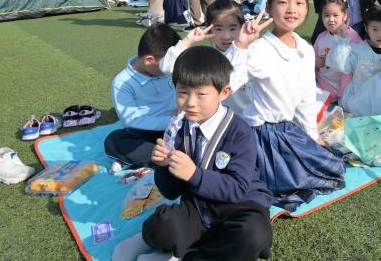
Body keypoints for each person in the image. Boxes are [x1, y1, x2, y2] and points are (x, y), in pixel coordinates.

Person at [117, 46, 274, 261]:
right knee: (165, 225)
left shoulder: (240, 132)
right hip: (199, 206)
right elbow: (171, 192)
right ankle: (146, 239)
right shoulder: (177, 128)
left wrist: (194, 174)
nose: (190, 102)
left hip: (241, 206)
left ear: (224, 92)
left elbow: (238, 188)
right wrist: (163, 168)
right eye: (182, 92)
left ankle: (184, 257)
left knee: (253, 234)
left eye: (201, 94)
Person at [228, 0, 345, 211]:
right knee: (283, 185)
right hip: (261, 134)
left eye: (299, 3)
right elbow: (227, 82)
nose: (292, 9)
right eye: (283, 2)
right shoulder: (260, 48)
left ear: (307, 9)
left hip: (288, 129)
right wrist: (240, 46)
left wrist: (312, 136)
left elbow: (306, 99)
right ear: (269, 8)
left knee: (333, 166)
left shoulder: (305, 48)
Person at [104, 24, 181, 174]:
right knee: (114, 140)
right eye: (168, 63)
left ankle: (141, 159)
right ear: (149, 60)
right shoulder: (122, 83)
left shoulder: (171, 71)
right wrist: (172, 120)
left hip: (178, 127)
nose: (173, 67)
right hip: (147, 133)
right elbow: (133, 121)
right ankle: (166, 159)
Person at [325, 6, 381, 125]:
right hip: (362, 96)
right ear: (366, 28)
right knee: (380, 89)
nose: (379, 34)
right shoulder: (358, 50)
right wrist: (342, 41)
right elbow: (341, 65)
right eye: (374, 29)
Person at [313, 0, 362, 100]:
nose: (331, 19)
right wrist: (314, 62)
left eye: (335, 15)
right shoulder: (321, 37)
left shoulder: (352, 38)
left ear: (345, 16)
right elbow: (312, 59)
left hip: (340, 89)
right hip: (320, 81)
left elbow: (353, 71)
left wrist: (343, 95)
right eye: (326, 15)